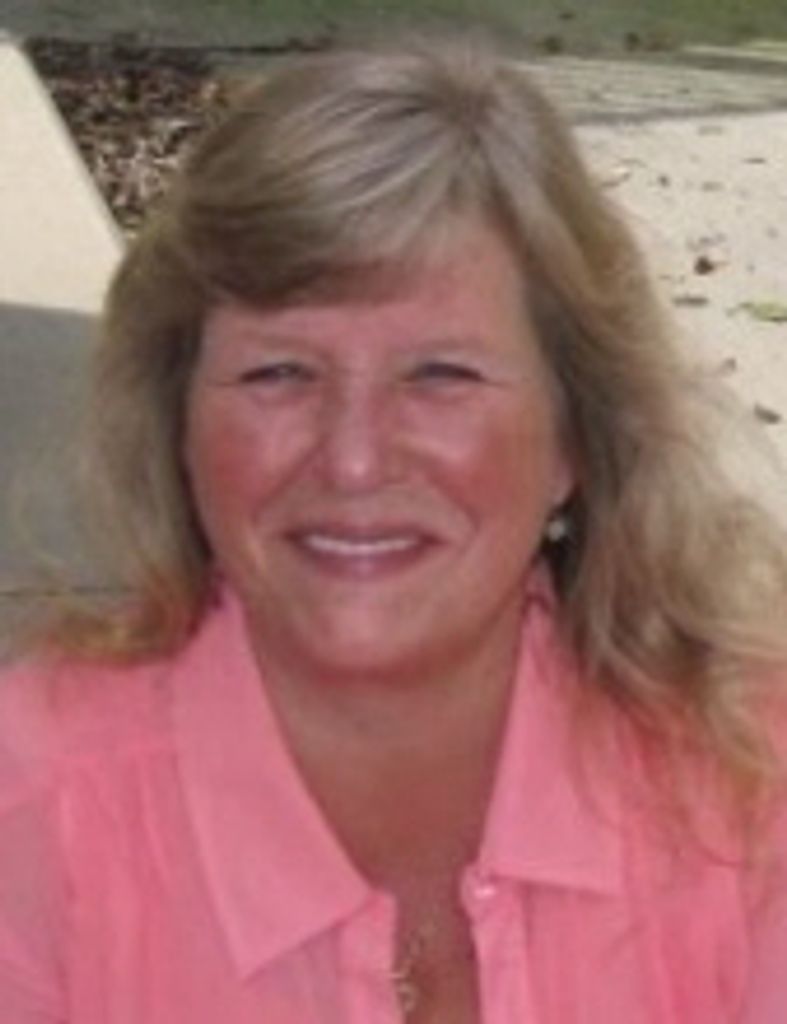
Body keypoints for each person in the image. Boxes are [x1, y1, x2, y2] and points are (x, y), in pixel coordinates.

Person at [1, 34, 787, 1024]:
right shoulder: (31, 808)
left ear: (574, 439)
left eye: (439, 375)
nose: (354, 459)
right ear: (178, 426)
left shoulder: (751, 784)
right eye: (279, 373)